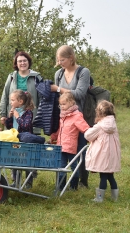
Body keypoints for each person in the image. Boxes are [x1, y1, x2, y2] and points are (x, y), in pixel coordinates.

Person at [50, 45, 91, 188]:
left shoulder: (83, 72)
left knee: (80, 149)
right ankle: (62, 183)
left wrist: (59, 89)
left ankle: (82, 181)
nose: (60, 63)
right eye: (58, 60)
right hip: (63, 117)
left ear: (71, 58)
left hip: (78, 116)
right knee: (62, 149)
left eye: (62, 60)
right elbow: (57, 98)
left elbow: (80, 94)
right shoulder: (59, 74)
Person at [50, 92, 89, 191]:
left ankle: (73, 186)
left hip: (70, 146)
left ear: (71, 103)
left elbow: (85, 128)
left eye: (64, 104)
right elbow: (60, 129)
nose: (62, 107)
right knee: (61, 167)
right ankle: (61, 186)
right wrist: (54, 136)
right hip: (61, 146)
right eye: (61, 104)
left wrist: (91, 136)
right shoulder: (63, 116)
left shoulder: (76, 116)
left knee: (73, 166)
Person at [84, 100, 121, 202]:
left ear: (99, 112)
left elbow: (88, 135)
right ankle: (115, 197)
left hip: (102, 156)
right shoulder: (113, 125)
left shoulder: (100, 126)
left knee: (103, 177)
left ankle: (99, 198)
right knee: (111, 176)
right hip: (112, 155)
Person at [0, 51, 43, 134]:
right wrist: (3, 115)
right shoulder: (11, 77)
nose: (22, 63)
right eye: (20, 61)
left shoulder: (36, 77)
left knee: (29, 142)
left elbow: (41, 99)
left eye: (25, 60)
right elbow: (5, 95)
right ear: (16, 63)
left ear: (28, 62)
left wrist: (40, 117)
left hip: (30, 117)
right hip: (13, 116)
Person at [5, 90, 35, 189]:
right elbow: (10, 127)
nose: (11, 102)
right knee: (15, 159)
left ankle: (28, 182)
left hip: (25, 141)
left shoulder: (28, 112)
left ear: (20, 101)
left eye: (13, 100)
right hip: (16, 140)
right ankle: (16, 181)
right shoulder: (15, 112)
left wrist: (17, 117)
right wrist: (9, 118)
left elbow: (25, 126)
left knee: (26, 161)